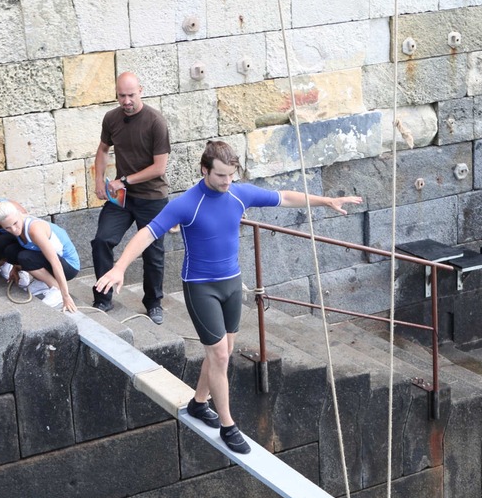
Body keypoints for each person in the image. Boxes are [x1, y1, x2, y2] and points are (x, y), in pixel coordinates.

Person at [95, 140, 362, 455]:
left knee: (225, 350)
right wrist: (120, 267)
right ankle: (228, 425)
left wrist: (325, 200)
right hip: (200, 286)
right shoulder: (187, 203)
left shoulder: (238, 193)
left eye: (231, 176)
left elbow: (284, 197)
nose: (226, 182)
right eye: (220, 176)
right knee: (220, 355)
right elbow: (148, 233)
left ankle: (198, 403)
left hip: (232, 283)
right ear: (204, 170)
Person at [91, 71, 171, 324]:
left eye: (131, 95)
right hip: (122, 198)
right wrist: (98, 180)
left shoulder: (155, 122)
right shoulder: (111, 118)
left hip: (152, 197)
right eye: (121, 95)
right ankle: (103, 297)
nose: (126, 101)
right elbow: (103, 149)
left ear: (141, 91)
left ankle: (154, 302)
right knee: (102, 239)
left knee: (153, 252)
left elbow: (159, 168)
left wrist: (123, 180)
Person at [0, 202, 80, 313]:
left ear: (19, 214)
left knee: (25, 257)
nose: (14, 230)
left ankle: (56, 289)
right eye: (8, 228)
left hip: (68, 266)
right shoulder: (17, 228)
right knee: (6, 246)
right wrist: (15, 268)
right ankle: (42, 282)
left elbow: (55, 262)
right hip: (46, 259)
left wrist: (65, 296)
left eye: (15, 223)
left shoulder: (34, 230)